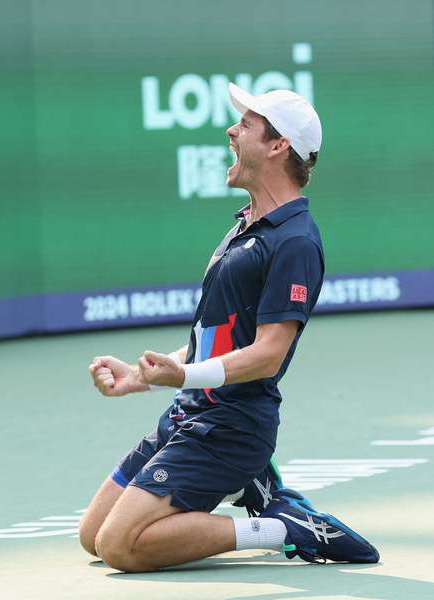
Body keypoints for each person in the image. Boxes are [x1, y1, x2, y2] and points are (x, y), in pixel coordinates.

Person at [79, 83, 379, 572]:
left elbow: (267, 355)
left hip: (232, 426)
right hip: (189, 415)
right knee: (93, 537)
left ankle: (284, 529)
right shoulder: (245, 226)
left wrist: (184, 377)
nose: (231, 131)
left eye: (246, 126)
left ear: (278, 146)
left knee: (121, 546)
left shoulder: (296, 243)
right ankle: (249, 483)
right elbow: (214, 339)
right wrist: (147, 375)